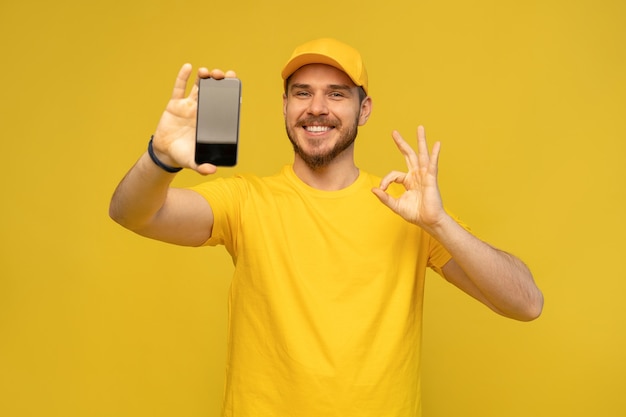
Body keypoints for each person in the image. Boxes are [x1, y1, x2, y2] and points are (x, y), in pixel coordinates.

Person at [109, 38, 543, 417]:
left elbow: (525, 303)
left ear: (364, 108)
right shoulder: (246, 201)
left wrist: (440, 224)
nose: (317, 107)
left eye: (336, 94)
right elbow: (132, 214)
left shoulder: (406, 210)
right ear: (285, 105)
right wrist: (160, 156)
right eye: (302, 93)